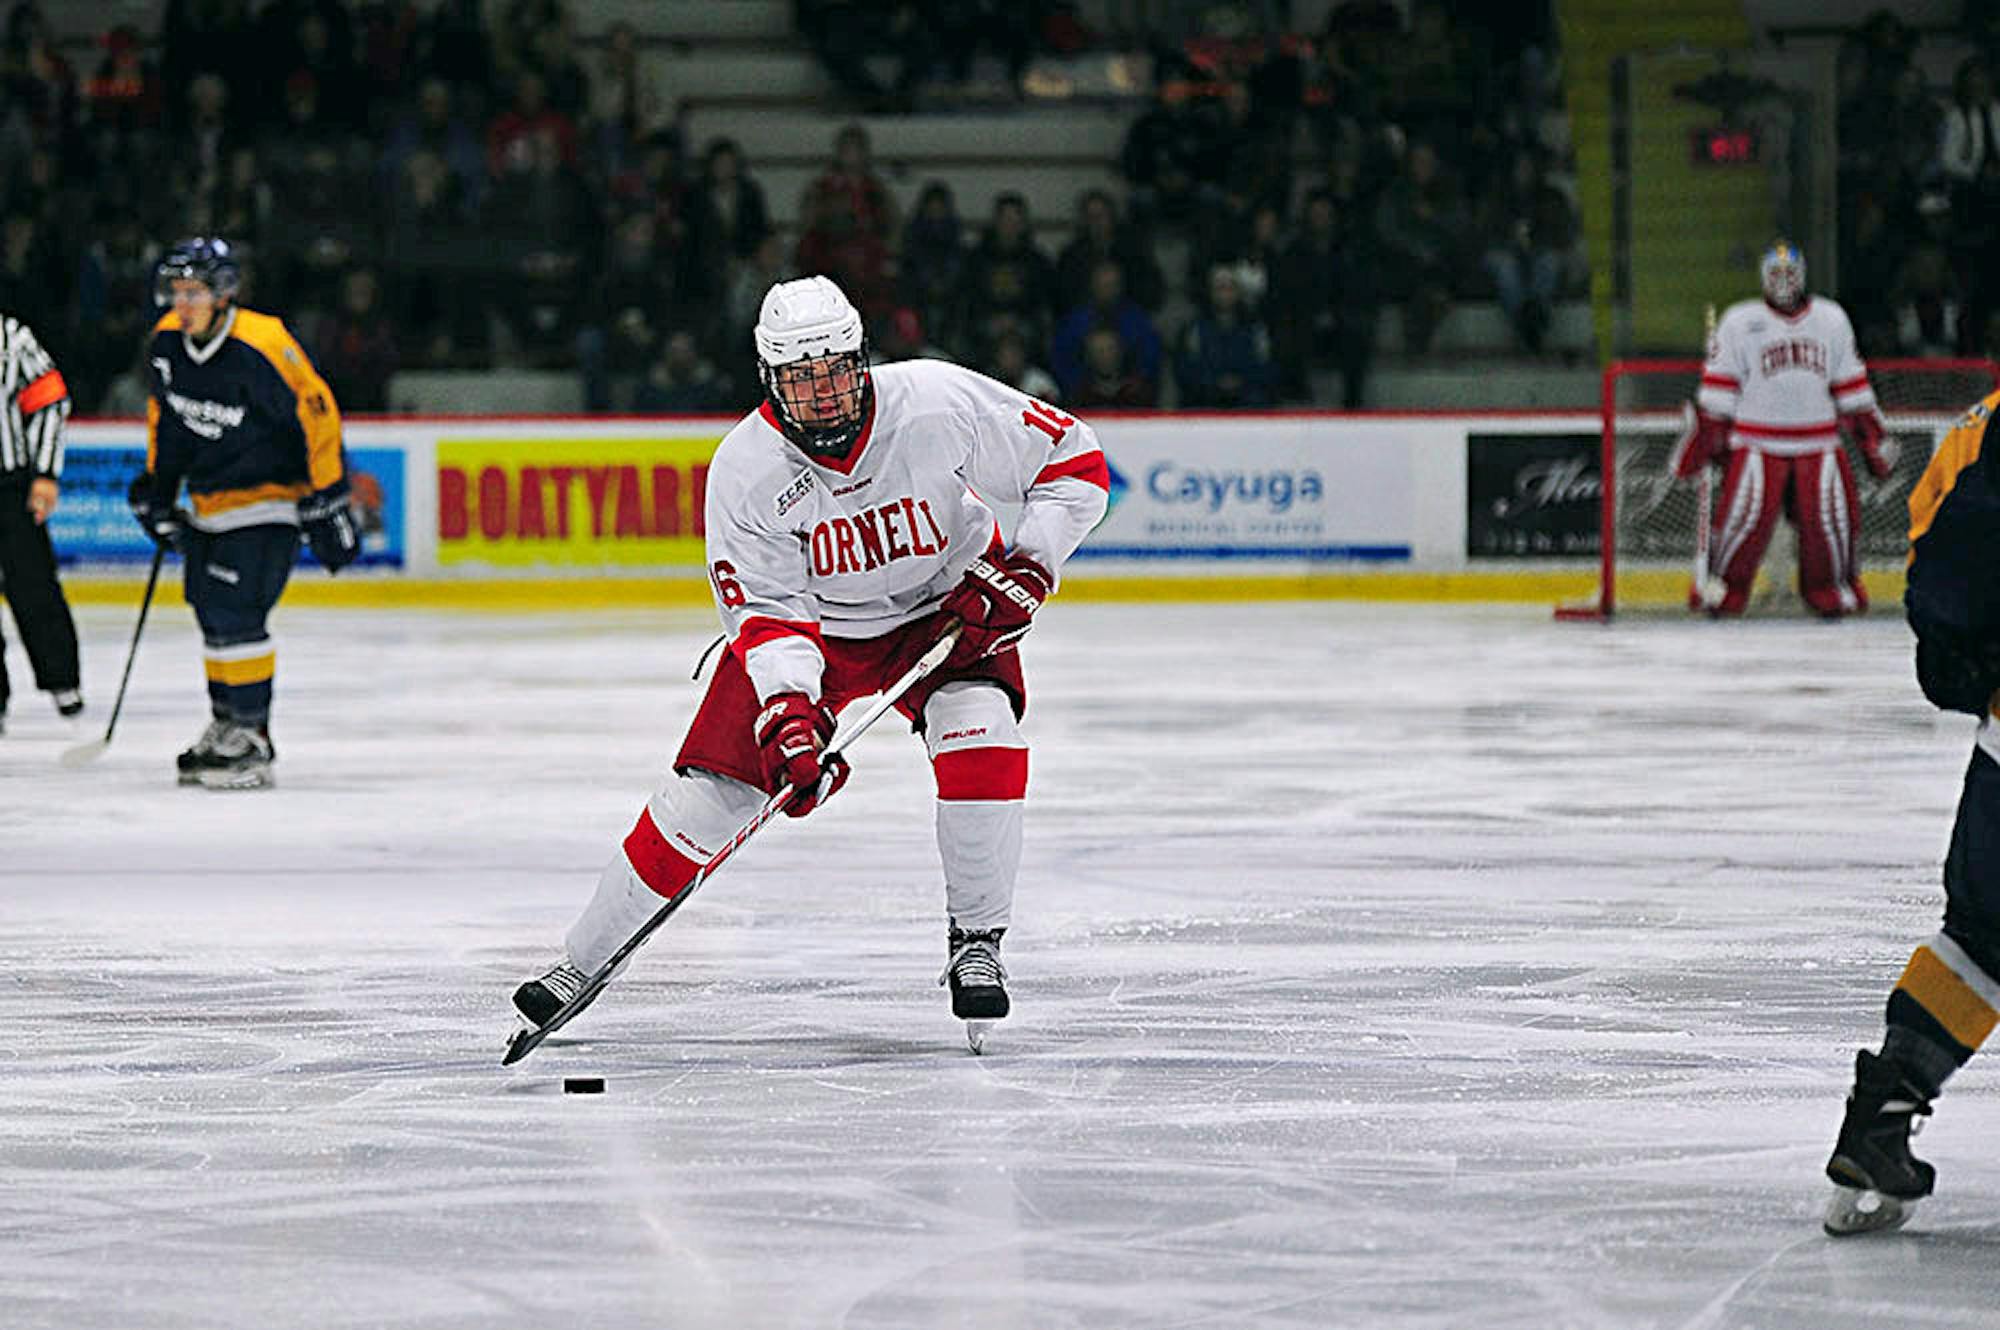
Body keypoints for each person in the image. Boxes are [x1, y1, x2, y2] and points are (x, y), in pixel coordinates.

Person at [513, 275, 1109, 1043]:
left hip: (948, 607)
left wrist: (1029, 564)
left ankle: (977, 943)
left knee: (984, 740)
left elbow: (1075, 463)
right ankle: (582, 959)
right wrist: (790, 717)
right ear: (769, 379)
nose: (822, 395)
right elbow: (767, 613)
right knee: (706, 803)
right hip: (819, 633)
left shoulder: (935, 400)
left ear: (861, 359)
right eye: (800, 378)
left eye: (833, 371)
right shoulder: (745, 468)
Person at [1823, 383, 2000, 1234]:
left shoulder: (1979, 426)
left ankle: (1879, 1123)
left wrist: (1963, 662)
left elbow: (1937, 560)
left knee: (1980, 940)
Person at [126, 237, 360, 790]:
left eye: (194, 292)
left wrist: (328, 491)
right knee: (210, 611)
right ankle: (226, 722)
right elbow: (169, 419)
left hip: (270, 499)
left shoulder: (263, 342)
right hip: (210, 502)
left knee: (237, 611)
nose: (183, 304)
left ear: (223, 294)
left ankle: (253, 732)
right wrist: (159, 492)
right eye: (176, 292)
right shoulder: (166, 344)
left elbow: (318, 411)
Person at [1674, 240, 1891, 617]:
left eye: (1790, 273)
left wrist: (1872, 437)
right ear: (1762, 278)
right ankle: (1725, 587)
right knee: (1741, 523)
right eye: (1775, 274)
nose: (1783, 281)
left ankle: (1832, 589)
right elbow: (1719, 394)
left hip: (1819, 441)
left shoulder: (1831, 318)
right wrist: (1705, 441)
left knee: (1831, 523)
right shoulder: (1739, 321)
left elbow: (1851, 387)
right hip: (1756, 442)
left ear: (1803, 275)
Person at [0, 310, 82, 731]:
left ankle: (62, 680)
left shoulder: (10, 338)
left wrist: (45, 474)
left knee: (32, 583)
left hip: (8, 486)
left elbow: (49, 400)